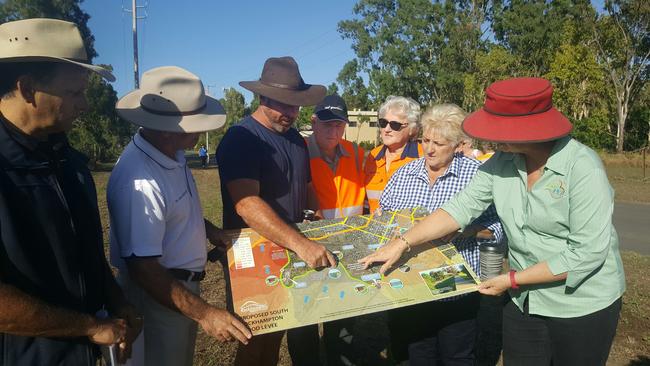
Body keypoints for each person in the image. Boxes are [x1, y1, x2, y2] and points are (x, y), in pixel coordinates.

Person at [359, 77, 625, 366]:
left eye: (499, 129)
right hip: (525, 301)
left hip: (580, 304)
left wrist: (511, 279)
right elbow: (457, 210)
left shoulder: (582, 167)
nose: (491, 138)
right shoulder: (502, 161)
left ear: (528, 130)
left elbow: (586, 254)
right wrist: (402, 242)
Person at [0, 18, 141, 365]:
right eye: (75, 92)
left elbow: (88, 255)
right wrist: (89, 326)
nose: (86, 106)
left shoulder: (70, 164)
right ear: (28, 88)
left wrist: (117, 301)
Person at [108, 66, 252, 366]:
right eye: (195, 124)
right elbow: (144, 268)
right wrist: (206, 314)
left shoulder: (171, 154)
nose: (202, 131)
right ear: (165, 128)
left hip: (177, 292)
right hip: (157, 296)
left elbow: (175, 211)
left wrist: (210, 231)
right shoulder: (140, 179)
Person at [216, 56, 336, 366]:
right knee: (253, 341)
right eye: (283, 105)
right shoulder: (242, 139)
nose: (291, 113)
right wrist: (301, 243)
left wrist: (316, 217)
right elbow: (246, 204)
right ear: (262, 97)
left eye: (296, 105)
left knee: (277, 334)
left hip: (289, 254)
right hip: (252, 257)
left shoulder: (295, 139)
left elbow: (305, 185)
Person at [377, 104, 503, 365]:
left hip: (455, 289)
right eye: (425, 140)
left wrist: (466, 229)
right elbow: (383, 217)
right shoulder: (403, 175)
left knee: (456, 356)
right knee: (414, 355)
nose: (429, 149)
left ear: (458, 145)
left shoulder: (478, 176)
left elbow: (499, 229)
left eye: (439, 143)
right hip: (408, 286)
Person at [305, 94, 367, 365]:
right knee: (304, 320)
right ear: (314, 121)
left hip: (347, 249)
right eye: (327, 124)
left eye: (339, 125)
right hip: (308, 249)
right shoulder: (298, 152)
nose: (334, 131)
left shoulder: (356, 153)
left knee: (343, 320)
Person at [365, 96, 423, 213]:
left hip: (409, 229)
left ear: (412, 129)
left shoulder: (423, 156)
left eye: (395, 125)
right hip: (374, 227)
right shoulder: (373, 156)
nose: (386, 129)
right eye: (383, 123)